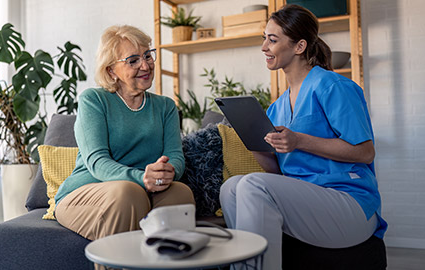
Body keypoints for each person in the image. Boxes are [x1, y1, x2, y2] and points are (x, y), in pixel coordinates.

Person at [219, 5, 387, 270]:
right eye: (264, 38)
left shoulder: (333, 86)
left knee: (252, 185)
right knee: (231, 188)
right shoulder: (276, 108)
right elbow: (277, 172)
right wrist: (254, 145)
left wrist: (299, 141)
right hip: (307, 204)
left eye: (272, 40)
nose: (264, 47)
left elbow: (365, 152)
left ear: (299, 46)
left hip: (350, 204)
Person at [54, 25, 195, 241]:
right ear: (111, 70)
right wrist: (141, 178)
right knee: (129, 193)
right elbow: (97, 161)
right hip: (87, 192)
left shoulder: (165, 107)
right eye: (133, 60)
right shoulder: (94, 100)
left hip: (143, 189)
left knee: (180, 192)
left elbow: (175, 156)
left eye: (148, 56)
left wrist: (167, 172)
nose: (146, 65)